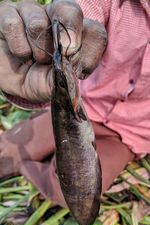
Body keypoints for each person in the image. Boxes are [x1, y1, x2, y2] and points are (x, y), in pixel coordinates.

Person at [0, 0, 149, 207]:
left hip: (131, 134)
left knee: (74, 194)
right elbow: (82, 12)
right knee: (5, 152)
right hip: (86, 106)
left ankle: (31, 169)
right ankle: (31, 155)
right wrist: (68, 30)